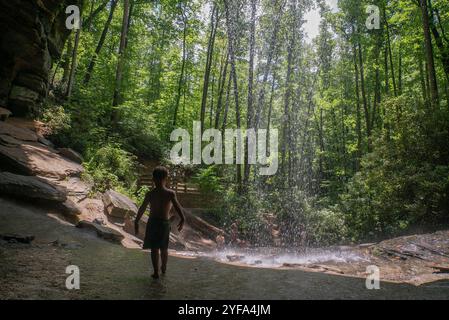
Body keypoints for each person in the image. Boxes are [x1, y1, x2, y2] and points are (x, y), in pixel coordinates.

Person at [134, 166, 185, 279]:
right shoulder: (170, 193)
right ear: (166, 178)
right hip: (164, 224)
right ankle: (164, 267)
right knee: (164, 248)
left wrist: (137, 221)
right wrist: (183, 219)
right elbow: (178, 207)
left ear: (153, 179)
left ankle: (156, 271)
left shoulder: (150, 194)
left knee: (154, 248)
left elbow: (142, 208)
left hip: (152, 223)